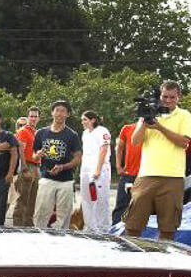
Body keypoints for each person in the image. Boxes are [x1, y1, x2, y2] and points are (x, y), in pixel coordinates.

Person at [123, 80, 191, 240]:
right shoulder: (148, 113)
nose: (168, 100)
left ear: (178, 97)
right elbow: (135, 141)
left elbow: (184, 143)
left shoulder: (185, 116)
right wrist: (144, 122)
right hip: (146, 175)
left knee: (168, 228)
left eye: (172, 97)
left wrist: (160, 127)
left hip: (173, 178)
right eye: (165, 96)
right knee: (132, 225)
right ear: (160, 95)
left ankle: (163, 262)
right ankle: (130, 261)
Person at [33, 100, 82, 230]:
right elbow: (34, 155)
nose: (60, 113)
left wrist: (63, 167)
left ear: (68, 114)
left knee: (64, 217)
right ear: (52, 112)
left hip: (66, 181)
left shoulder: (72, 135)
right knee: (41, 214)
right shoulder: (41, 133)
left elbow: (78, 158)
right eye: (57, 110)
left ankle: (61, 243)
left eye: (63, 111)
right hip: (46, 178)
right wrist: (37, 155)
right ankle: (39, 238)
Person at [80, 110, 111, 233]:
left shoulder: (102, 131)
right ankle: (90, 227)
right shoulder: (84, 133)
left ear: (92, 120)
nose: (83, 122)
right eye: (82, 120)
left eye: (85, 119)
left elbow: (103, 149)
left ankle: (103, 228)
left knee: (100, 199)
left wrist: (97, 169)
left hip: (100, 169)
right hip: (85, 168)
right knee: (86, 199)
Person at [13, 107, 41, 226]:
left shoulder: (36, 132)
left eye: (35, 116)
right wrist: (24, 169)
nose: (33, 118)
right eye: (31, 116)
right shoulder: (23, 131)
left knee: (32, 199)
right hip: (27, 166)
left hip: (36, 166)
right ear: (28, 117)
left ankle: (29, 225)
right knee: (23, 199)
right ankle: (18, 225)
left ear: (39, 118)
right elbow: (21, 151)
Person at [111, 121, 142, 224]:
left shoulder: (155, 129)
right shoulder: (127, 128)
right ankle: (115, 234)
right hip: (128, 175)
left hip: (146, 176)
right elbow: (119, 148)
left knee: (142, 208)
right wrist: (118, 166)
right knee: (121, 206)